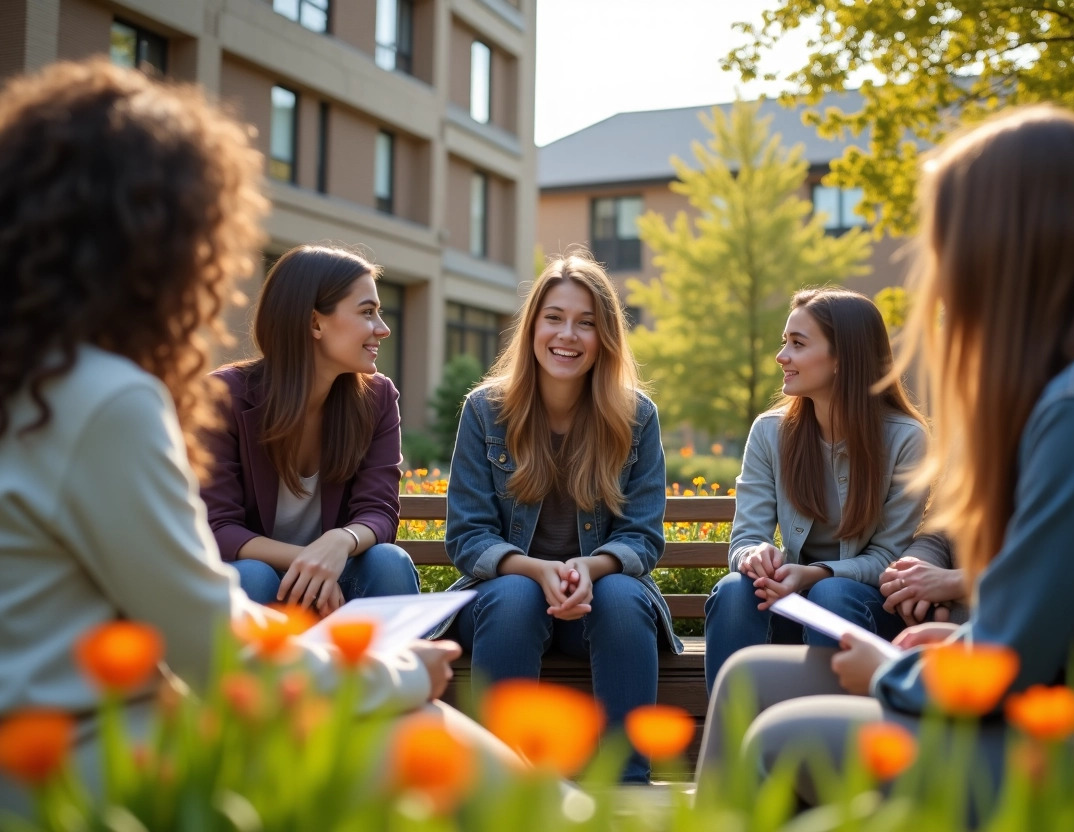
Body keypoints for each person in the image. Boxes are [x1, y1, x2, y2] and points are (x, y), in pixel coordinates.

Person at [0, 60, 514, 814]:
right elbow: (223, 656)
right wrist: (399, 672)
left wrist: (342, 558)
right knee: (435, 737)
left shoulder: (36, 382)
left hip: (72, 730)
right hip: (82, 757)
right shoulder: (106, 399)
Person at [696, 105, 1074, 816]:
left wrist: (892, 670)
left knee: (780, 737)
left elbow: (1008, 664)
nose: (940, 274)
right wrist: (962, 639)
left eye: (947, 242)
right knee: (748, 681)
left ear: (1010, 249)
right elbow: (1056, 617)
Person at [440, 249, 680, 783]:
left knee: (622, 596)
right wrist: (537, 571)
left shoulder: (636, 417)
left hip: (596, 601)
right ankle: (504, 781)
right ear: (532, 328)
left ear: (605, 338)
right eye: (554, 318)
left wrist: (585, 570)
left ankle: (628, 783)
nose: (567, 335)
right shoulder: (485, 410)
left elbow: (642, 536)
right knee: (513, 595)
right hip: (507, 608)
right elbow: (467, 536)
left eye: (585, 323)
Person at [703, 288, 931, 695]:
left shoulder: (905, 440)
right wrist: (754, 554)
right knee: (735, 591)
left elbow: (889, 559)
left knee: (832, 591)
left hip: (861, 610)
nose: (781, 356)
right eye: (784, 341)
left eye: (797, 344)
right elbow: (745, 537)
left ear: (843, 357)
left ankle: (838, 748)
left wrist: (814, 574)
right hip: (789, 601)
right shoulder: (769, 432)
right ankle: (731, 751)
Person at [202, 245, 419, 616]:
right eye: (367, 312)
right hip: (255, 584)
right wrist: (311, 560)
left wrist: (341, 540)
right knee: (254, 577)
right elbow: (217, 527)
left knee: (388, 562)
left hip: (338, 581)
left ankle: (395, 672)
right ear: (315, 323)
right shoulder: (224, 396)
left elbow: (379, 512)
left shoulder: (377, 398)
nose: (382, 330)